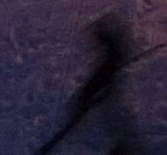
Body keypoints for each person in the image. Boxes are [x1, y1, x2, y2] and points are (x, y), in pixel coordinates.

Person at [34, 16, 139, 153]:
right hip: (103, 92)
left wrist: (86, 96)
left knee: (108, 122)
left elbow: (105, 73)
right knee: (109, 122)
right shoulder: (112, 63)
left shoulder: (110, 65)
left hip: (103, 94)